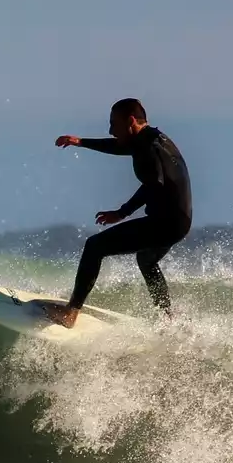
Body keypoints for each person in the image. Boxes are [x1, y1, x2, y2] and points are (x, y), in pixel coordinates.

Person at [40, 98, 192, 328]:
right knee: (146, 260)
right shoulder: (152, 138)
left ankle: (71, 313)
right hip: (180, 221)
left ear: (131, 121)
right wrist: (80, 142)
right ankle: (169, 318)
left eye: (114, 124)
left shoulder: (148, 148)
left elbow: (154, 185)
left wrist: (121, 213)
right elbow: (119, 146)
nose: (110, 130)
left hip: (165, 223)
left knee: (95, 246)